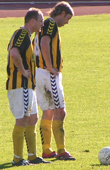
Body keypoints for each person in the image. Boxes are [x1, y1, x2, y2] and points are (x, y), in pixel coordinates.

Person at [6, 8, 50, 166]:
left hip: (27, 86)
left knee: (33, 118)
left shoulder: (27, 37)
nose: (42, 24)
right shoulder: (22, 34)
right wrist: (22, 70)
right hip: (20, 85)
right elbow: (14, 53)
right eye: (40, 20)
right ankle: (17, 159)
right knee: (23, 119)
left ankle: (32, 156)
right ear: (32, 21)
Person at [34, 1, 76, 160]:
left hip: (39, 73)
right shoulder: (51, 23)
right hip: (48, 73)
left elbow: (36, 45)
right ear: (63, 13)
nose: (67, 23)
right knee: (60, 111)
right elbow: (44, 43)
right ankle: (61, 150)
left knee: (49, 111)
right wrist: (51, 66)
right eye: (68, 19)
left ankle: (47, 150)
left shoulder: (42, 25)